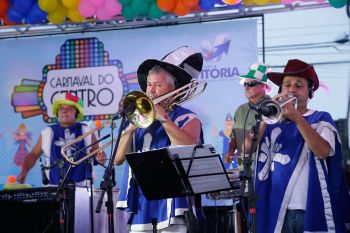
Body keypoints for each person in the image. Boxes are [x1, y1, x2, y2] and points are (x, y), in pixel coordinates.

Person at [244, 59, 350, 233]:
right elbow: (247, 149)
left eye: (299, 85)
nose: (292, 89)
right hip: (275, 210)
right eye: (287, 85)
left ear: (310, 91)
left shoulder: (321, 118)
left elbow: (322, 151)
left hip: (308, 210)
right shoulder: (270, 123)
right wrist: (265, 118)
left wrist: (296, 117)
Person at [114, 46, 205, 233]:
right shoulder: (139, 119)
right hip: (142, 201)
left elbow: (189, 147)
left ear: (175, 89)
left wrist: (164, 118)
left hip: (174, 202)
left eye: (158, 85)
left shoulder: (187, 118)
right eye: (149, 84)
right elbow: (117, 160)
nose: (151, 90)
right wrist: (129, 130)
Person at [17, 92, 106, 185]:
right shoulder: (48, 132)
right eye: (61, 109)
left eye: (69, 108)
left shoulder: (86, 130)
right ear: (57, 112)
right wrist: (24, 172)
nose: (64, 111)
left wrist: (101, 158)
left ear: (76, 111)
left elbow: (98, 154)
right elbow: (33, 155)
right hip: (54, 187)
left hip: (83, 188)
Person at [224, 62, 272, 169]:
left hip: (266, 169)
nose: (246, 87)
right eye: (245, 84)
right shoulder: (241, 110)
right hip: (244, 168)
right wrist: (231, 151)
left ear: (263, 85)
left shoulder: (274, 109)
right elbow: (234, 135)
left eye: (251, 84)